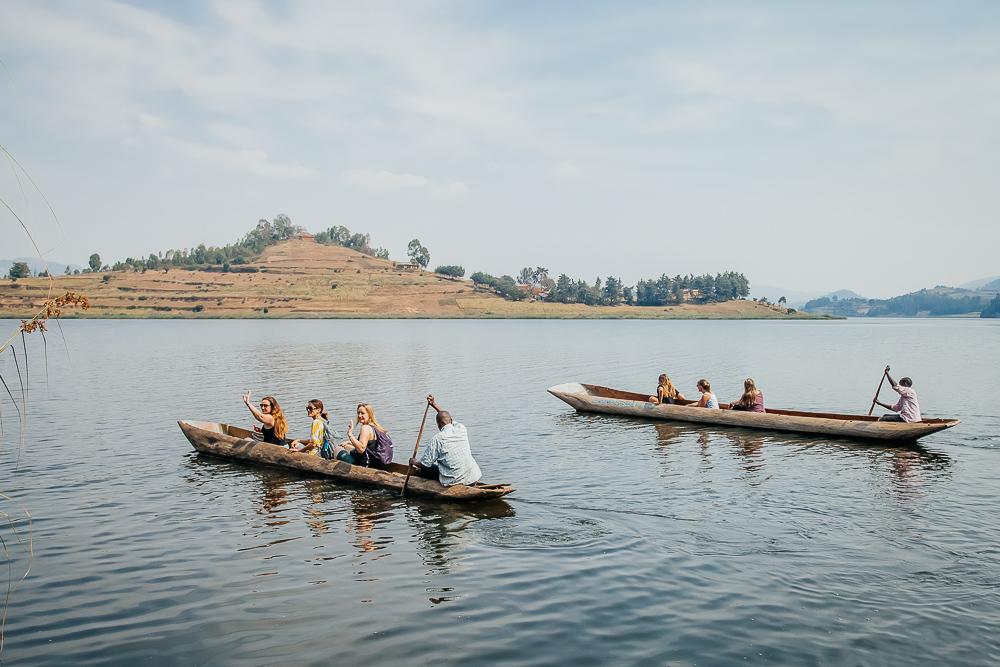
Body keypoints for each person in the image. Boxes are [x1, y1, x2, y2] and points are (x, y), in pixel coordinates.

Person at [409, 395, 482, 486]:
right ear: (451, 420)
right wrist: (434, 405)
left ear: (438, 425)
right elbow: (446, 417)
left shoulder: (438, 439)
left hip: (454, 481)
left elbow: (425, 463)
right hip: (473, 476)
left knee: (424, 469)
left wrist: (414, 462)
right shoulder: (461, 428)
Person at [337, 403, 393, 468]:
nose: (359, 415)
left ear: (369, 414)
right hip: (378, 463)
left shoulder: (365, 428)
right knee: (346, 446)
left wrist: (350, 434)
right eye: (358, 413)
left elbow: (361, 449)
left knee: (338, 449)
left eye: (362, 413)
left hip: (366, 465)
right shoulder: (377, 427)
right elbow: (370, 446)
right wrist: (349, 442)